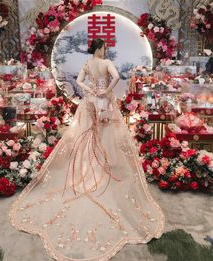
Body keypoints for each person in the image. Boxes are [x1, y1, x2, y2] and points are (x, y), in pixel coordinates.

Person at [9, 38, 165, 261]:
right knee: (106, 137)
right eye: (104, 48)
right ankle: (103, 172)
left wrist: (90, 89)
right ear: (101, 49)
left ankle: (89, 169)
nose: (105, 50)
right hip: (103, 101)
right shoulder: (105, 64)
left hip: (89, 100)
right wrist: (106, 91)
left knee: (86, 136)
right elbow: (117, 77)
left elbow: (80, 81)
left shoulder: (88, 64)